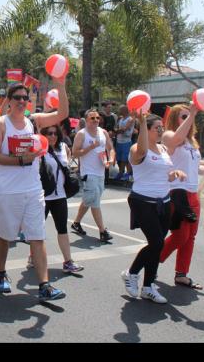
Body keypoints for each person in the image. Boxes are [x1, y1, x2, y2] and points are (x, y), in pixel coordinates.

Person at [0, 79, 69, 301]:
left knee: (37, 236)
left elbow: (62, 113)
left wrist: (61, 85)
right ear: (9, 101)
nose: (22, 101)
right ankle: (1, 273)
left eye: (25, 97)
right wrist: (21, 160)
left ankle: (44, 285)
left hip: (33, 189)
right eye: (18, 98)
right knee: (4, 236)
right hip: (8, 190)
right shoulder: (0, 124)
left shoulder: (34, 121)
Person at [121, 112, 187, 304]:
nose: (160, 130)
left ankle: (148, 287)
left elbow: (165, 174)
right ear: (146, 130)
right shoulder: (136, 149)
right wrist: (141, 121)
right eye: (156, 128)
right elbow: (142, 151)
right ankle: (131, 273)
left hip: (164, 202)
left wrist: (175, 173)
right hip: (143, 202)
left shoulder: (163, 149)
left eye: (161, 127)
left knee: (157, 246)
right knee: (157, 243)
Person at [159, 103, 204, 289]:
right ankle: (151, 259)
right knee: (180, 236)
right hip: (177, 192)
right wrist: (193, 112)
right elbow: (176, 139)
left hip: (193, 193)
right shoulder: (169, 135)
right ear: (174, 119)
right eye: (184, 116)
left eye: (189, 116)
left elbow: (196, 167)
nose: (189, 118)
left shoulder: (191, 142)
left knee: (191, 237)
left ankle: (181, 274)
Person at [27, 123, 84, 273]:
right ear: (43, 135)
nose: (53, 136)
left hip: (60, 195)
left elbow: (67, 166)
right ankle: (33, 256)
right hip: (43, 195)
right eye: (49, 133)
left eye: (55, 133)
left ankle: (68, 262)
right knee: (38, 230)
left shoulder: (63, 148)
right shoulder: (39, 149)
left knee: (62, 229)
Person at [70, 108, 115, 243]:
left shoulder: (103, 132)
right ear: (86, 120)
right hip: (88, 173)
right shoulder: (81, 134)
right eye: (92, 118)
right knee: (95, 201)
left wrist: (111, 159)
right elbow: (74, 153)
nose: (96, 120)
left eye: (97, 118)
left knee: (89, 199)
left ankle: (76, 223)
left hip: (101, 172)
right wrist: (91, 147)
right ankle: (102, 231)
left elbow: (110, 148)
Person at [115, 105, 134, 181]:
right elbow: (117, 128)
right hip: (119, 141)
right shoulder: (120, 119)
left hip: (126, 142)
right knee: (119, 159)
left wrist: (115, 131)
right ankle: (121, 172)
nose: (119, 111)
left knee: (125, 159)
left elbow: (124, 129)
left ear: (124, 110)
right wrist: (117, 130)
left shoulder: (130, 119)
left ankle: (127, 173)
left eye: (120, 110)